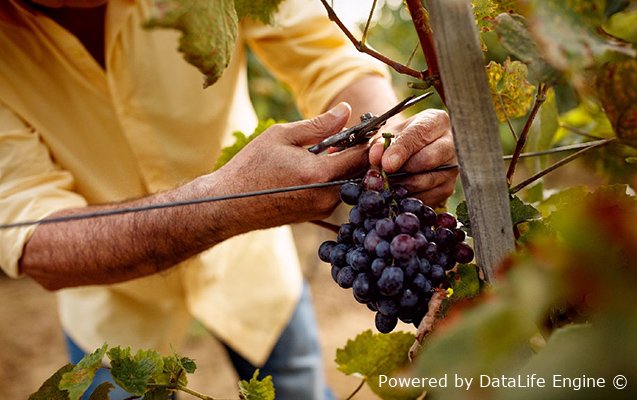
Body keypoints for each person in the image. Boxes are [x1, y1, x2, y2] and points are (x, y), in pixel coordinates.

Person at [0, 0, 457, 398]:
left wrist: (390, 142)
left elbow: (331, 58)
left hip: (252, 280)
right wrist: (227, 202)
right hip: (111, 308)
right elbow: (31, 235)